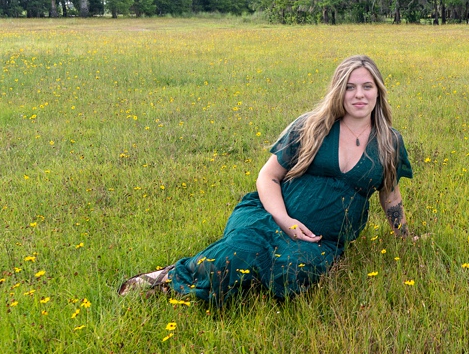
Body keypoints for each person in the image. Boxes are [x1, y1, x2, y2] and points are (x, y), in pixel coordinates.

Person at [118, 55, 415, 305]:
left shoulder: (389, 142)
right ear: (339, 91)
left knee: (292, 273)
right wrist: (286, 220)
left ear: (378, 91)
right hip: (269, 217)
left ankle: (246, 277)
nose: (359, 95)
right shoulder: (312, 126)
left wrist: (404, 236)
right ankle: (169, 276)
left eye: (367, 86)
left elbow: (390, 196)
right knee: (235, 255)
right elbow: (268, 176)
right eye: (350, 87)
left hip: (323, 241)